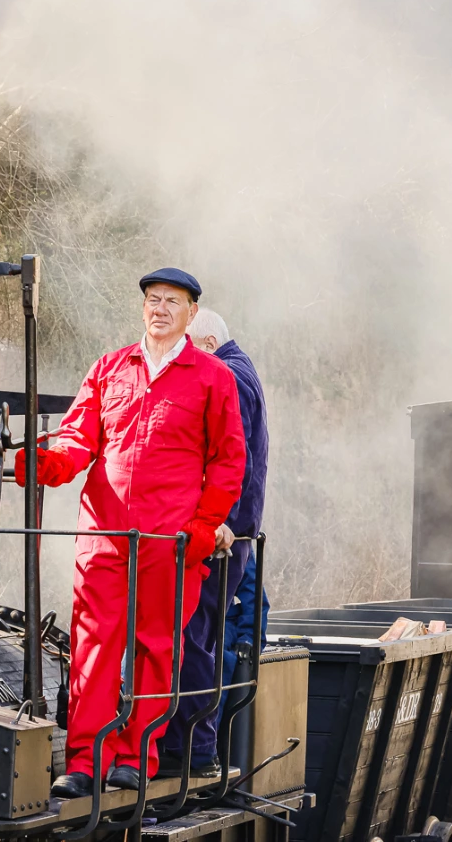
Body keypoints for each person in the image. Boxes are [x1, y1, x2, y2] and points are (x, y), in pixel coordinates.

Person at [17, 267, 246, 797]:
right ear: (143, 307)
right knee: (93, 647)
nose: (159, 308)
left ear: (192, 313)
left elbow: (229, 460)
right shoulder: (110, 368)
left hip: (172, 542)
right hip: (104, 533)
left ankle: (135, 757)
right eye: (152, 299)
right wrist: (48, 462)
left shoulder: (213, 378)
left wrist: (203, 526)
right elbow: (79, 436)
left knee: (156, 648)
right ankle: (84, 761)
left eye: (172, 301)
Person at [158, 307, 268, 779]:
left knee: (192, 635)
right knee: (195, 634)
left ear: (203, 344)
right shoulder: (241, 371)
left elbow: (229, 460)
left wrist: (213, 524)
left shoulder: (228, 377)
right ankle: (190, 748)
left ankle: (191, 751)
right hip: (226, 533)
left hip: (220, 536)